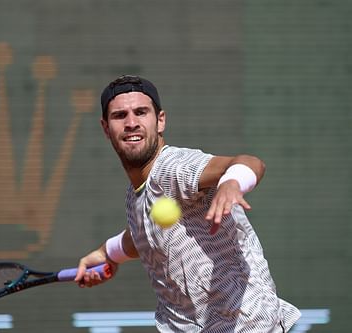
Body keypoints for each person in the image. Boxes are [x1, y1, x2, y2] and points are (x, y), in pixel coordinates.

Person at [74, 75, 301, 332]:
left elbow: (250, 162)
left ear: (160, 121)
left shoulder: (174, 167)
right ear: (106, 128)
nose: (131, 123)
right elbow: (144, 235)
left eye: (141, 112)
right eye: (120, 116)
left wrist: (232, 183)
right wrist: (107, 254)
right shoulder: (135, 194)